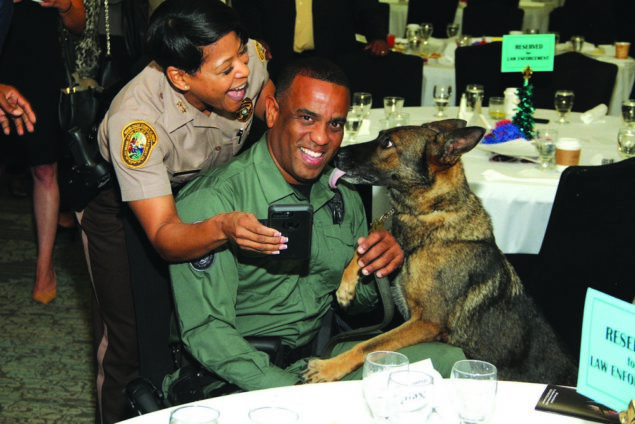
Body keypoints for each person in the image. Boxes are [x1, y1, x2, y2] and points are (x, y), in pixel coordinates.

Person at [165, 58, 465, 395]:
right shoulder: (215, 202)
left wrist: (376, 267)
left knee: (450, 363)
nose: (322, 138)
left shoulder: (342, 193)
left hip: (319, 362)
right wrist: (296, 395)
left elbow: (355, 305)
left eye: (335, 124)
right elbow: (208, 332)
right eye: (307, 118)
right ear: (274, 112)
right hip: (237, 377)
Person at [79, 0, 281, 421]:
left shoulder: (244, 60)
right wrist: (224, 229)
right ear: (180, 77)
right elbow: (165, 235)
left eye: (241, 53)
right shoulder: (137, 125)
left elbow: (262, 84)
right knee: (133, 342)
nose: (242, 69)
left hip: (208, 196)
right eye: (226, 70)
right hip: (132, 214)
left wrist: (268, 106)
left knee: (211, 325)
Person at [0, 0, 86, 303]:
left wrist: (62, 5)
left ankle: (44, 266)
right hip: (4, 56)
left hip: (38, 63)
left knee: (44, 166)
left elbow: (79, 22)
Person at [231, 0, 391, 79]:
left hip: (332, 55)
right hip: (278, 55)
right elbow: (246, 6)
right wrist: (254, 36)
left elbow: (367, 6)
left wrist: (377, 36)